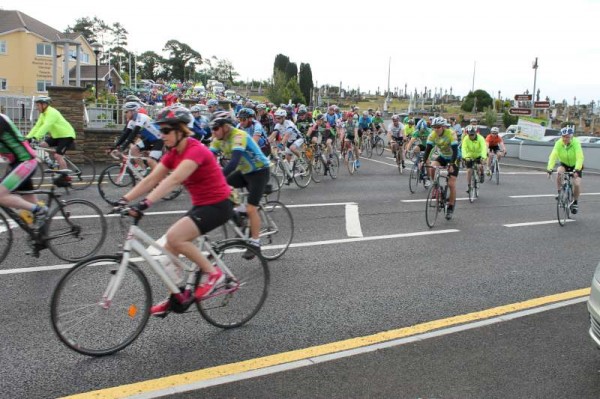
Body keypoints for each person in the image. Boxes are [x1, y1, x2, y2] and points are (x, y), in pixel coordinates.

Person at [117, 105, 233, 317]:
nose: (163, 135)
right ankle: (178, 295)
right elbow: (152, 178)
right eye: (161, 131)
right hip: (201, 205)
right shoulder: (172, 154)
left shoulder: (195, 150)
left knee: (175, 237)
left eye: (167, 131)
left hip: (218, 204)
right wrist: (125, 199)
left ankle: (214, 274)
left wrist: (145, 204)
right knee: (167, 250)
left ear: (181, 130)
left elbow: (174, 179)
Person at [209, 111, 271, 258]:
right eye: (212, 128)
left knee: (251, 208)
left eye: (216, 128)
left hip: (259, 171)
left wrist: (217, 177)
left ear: (225, 127)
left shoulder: (238, 135)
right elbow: (208, 159)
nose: (214, 132)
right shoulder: (218, 138)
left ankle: (255, 243)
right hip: (244, 172)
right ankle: (238, 212)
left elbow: (234, 161)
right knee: (221, 190)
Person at [0, 113, 47, 223]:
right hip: (18, 163)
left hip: (25, 162)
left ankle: (40, 210)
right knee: (29, 200)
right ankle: (41, 236)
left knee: (1, 195)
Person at [25, 96, 76, 170]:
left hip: (66, 135)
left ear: (44, 105)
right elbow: (37, 126)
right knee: (41, 145)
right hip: (57, 136)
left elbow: (46, 126)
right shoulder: (43, 114)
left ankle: (66, 177)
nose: (37, 107)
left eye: (38, 105)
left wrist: (35, 137)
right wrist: (27, 138)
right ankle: (50, 162)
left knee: (58, 156)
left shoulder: (52, 112)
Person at [423, 117, 459, 220]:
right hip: (443, 156)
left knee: (451, 184)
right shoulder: (432, 134)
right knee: (432, 167)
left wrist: (452, 164)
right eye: (434, 127)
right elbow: (428, 149)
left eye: (438, 127)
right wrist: (423, 161)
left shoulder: (451, 133)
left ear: (443, 127)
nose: (436, 129)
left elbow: (455, 151)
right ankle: (436, 187)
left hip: (454, 158)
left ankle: (450, 207)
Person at [113, 102, 163, 170]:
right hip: (149, 140)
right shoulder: (131, 122)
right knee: (134, 150)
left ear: (133, 111)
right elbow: (125, 135)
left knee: (151, 161)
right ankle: (144, 170)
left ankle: (159, 176)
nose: (125, 114)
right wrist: (113, 147)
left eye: (126, 112)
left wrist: (123, 147)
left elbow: (133, 134)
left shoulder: (141, 117)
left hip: (159, 139)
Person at [547, 126, 584, 214]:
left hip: (576, 165)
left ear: (571, 137)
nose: (565, 139)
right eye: (563, 136)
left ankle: (575, 202)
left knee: (577, 183)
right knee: (559, 172)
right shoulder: (558, 143)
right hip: (564, 163)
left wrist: (577, 169)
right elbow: (553, 156)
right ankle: (560, 193)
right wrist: (549, 169)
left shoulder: (576, 143)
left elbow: (580, 157)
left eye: (567, 137)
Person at [461, 125, 487, 191]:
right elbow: (463, 148)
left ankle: (481, 174)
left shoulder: (480, 138)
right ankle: (469, 186)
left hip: (479, 154)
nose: (471, 136)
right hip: (469, 156)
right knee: (469, 170)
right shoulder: (466, 138)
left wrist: (483, 157)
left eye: (472, 134)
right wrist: (465, 157)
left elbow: (484, 148)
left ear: (475, 133)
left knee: (479, 166)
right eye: (469, 135)